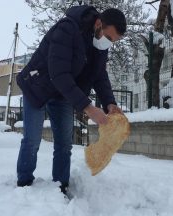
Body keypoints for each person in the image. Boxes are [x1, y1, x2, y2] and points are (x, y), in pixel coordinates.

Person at [16, 5, 127, 194]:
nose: (108, 43)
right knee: (32, 140)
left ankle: (60, 186)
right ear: (99, 23)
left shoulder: (100, 45)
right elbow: (58, 74)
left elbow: (99, 75)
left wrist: (110, 103)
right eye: (108, 37)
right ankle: (24, 185)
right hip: (38, 87)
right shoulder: (67, 28)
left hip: (63, 94)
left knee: (64, 144)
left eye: (113, 41)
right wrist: (88, 107)